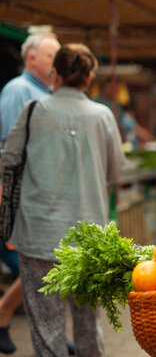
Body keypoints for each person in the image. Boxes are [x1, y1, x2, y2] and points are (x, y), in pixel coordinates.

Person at [0, 43, 124, 357]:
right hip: (88, 238)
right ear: (89, 78)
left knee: (45, 326)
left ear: (55, 74)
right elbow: (115, 171)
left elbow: (9, 159)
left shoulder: (32, 112)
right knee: (87, 324)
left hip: (38, 235)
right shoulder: (103, 115)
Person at [0, 33, 62, 355]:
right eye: (51, 56)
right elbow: (11, 153)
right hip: (22, 198)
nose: (56, 63)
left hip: (40, 195)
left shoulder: (46, 93)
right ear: (31, 58)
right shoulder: (18, 92)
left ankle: (43, 330)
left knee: (43, 266)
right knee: (39, 265)